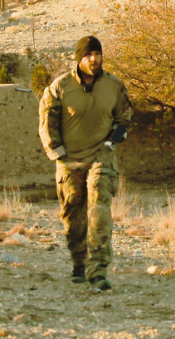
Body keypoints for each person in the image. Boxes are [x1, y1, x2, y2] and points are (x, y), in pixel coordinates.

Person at [39, 35, 132, 291]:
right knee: (73, 217)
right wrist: (59, 154)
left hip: (100, 158)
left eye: (98, 54)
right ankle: (79, 263)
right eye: (89, 54)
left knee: (99, 212)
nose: (94, 59)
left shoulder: (114, 85)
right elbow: (47, 124)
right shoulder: (60, 87)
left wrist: (112, 142)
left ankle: (97, 269)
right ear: (79, 57)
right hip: (69, 161)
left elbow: (125, 115)